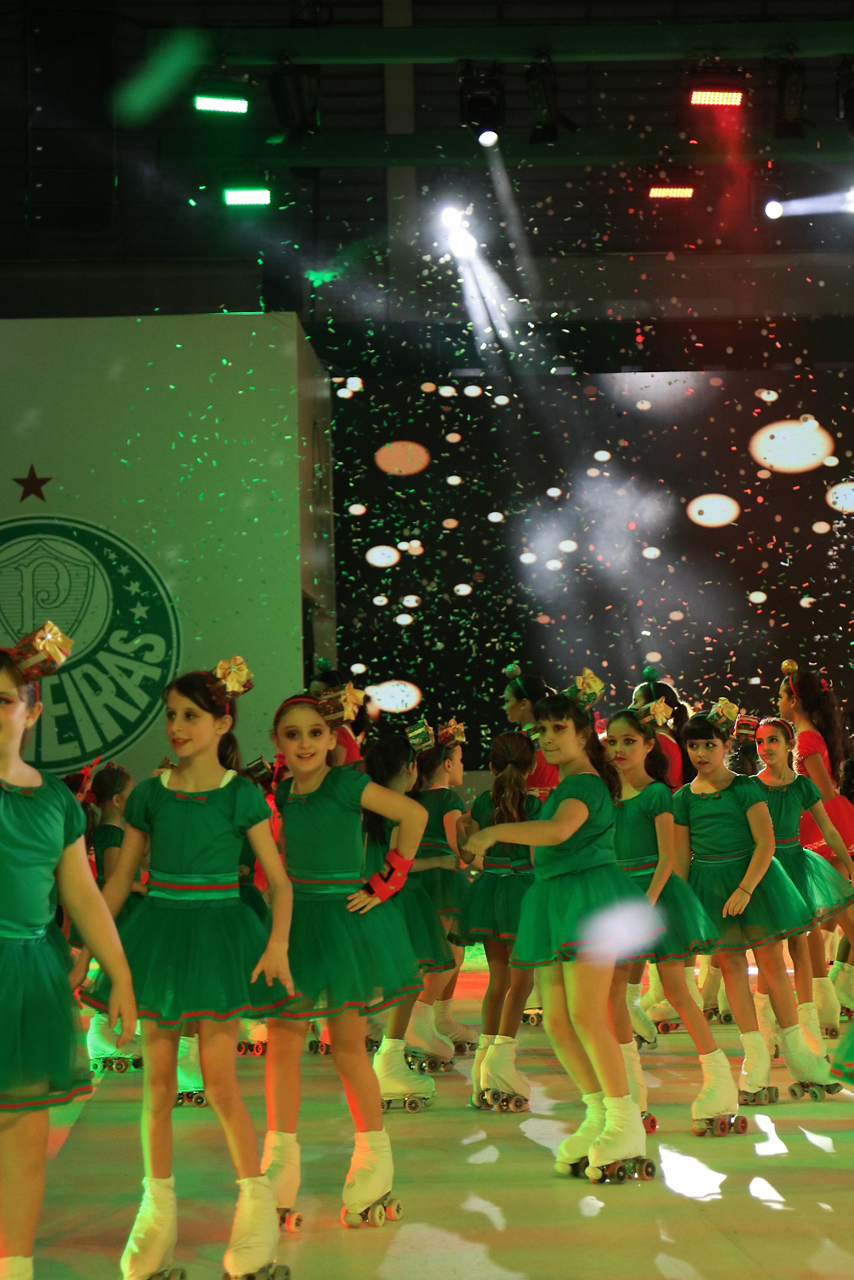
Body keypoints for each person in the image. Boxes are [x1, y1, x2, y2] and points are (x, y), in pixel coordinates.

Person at [81, 657, 295, 1280]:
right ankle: (156, 1213)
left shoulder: (241, 794)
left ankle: (255, 1207)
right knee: (157, 1086)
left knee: (221, 1085)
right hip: (161, 937)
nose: (176, 727)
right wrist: (86, 950)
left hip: (219, 937)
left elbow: (279, 882)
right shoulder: (149, 794)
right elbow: (118, 883)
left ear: (221, 722)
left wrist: (278, 944)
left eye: (191, 716)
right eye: (171, 715)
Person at [466, 670, 661, 1184]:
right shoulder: (567, 783)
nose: (548, 738)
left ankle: (625, 1119)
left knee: (588, 1016)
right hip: (557, 899)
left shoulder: (583, 783)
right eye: (541, 731)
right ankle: (599, 1112)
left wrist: (493, 832)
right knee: (556, 1021)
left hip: (587, 900)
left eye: (558, 729)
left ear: (583, 734)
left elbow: (557, 831)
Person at [0, 625, 136, 1280]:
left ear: (31, 711)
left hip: (29, 977)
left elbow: (82, 897)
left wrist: (121, 976)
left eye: (3, 701)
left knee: (24, 1139)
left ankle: (15, 1266)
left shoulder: (55, 801)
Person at [262, 693, 426, 1231]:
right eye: (292, 734)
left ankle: (374, 1160)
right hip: (294, 924)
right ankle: (279, 1167)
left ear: (332, 738)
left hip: (342, 923)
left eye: (314, 733)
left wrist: (389, 880)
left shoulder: (347, 785)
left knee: (348, 1047)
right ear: (278, 743)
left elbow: (413, 813)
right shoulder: (282, 793)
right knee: (283, 1042)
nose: (304, 743)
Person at [673, 699, 838, 1106]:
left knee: (771, 965)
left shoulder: (746, 788)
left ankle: (800, 1054)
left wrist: (746, 888)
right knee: (731, 967)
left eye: (709, 745)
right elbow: (679, 860)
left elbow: (765, 844)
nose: (700, 754)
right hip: (710, 887)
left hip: (756, 883)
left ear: (726, 745)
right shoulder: (683, 798)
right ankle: (755, 1058)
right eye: (693, 746)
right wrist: (682, 903)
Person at [604, 708, 732, 1137]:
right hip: (619, 897)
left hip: (656, 899)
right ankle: (630, 1091)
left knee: (677, 991)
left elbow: (667, 858)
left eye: (629, 741)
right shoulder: (605, 794)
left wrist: (647, 904)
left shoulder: (658, 794)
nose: (619, 749)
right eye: (612, 741)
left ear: (648, 745)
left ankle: (719, 1082)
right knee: (615, 993)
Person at [361, 736, 456, 1109]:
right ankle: (388, 1059)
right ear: (411, 768)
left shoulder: (368, 807)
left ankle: (389, 1055)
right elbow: (398, 864)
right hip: (396, 899)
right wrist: (440, 861)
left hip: (378, 896)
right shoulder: (401, 808)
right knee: (407, 980)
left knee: (400, 979)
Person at [753, 716, 854, 1052]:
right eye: (760, 741)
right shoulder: (750, 787)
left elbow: (829, 829)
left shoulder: (803, 787)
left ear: (789, 745)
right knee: (768, 946)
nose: (766, 747)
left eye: (773, 740)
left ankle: (809, 1026)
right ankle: (766, 1026)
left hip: (796, 864)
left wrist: (850, 863)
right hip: (766, 868)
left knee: (801, 944)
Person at [454, 732, 539, 1110]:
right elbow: (536, 859)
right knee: (523, 983)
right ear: (531, 767)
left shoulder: (481, 803)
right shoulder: (534, 805)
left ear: (490, 766)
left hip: (490, 890)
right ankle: (500, 1065)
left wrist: (465, 833)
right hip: (523, 893)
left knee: (499, 981)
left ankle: (482, 1070)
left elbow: (469, 854)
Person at [779, 661, 854, 1017]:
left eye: (781, 696)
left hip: (820, 827)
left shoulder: (806, 740)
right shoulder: (810, 736)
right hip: (822, 824)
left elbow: (823, 790)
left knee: (838, 912)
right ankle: (829, 992)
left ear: (793, 701)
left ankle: (825, 995)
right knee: (830, 912)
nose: (778, 703)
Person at [408, 718, 475, 1056]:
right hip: (442, 880)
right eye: (460, 760)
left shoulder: (414, 799)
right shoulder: (448, 798)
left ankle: (437, 1018)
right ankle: (423, 1019)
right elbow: (456, 846)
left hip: (418, 878)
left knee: (437, 954)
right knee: (449, 955)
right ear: (447, 765)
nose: (462, 766)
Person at [83, 763, 147, 1070]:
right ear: (118, 800)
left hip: (124, 909)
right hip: (119, 911)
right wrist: (141, 887)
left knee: (125, 967)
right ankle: (103, 1031)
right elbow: (113, 878)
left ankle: (112, 1029)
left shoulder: (116, 831)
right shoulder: (110, 832)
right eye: (131, 795)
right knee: (116, 967)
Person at [630, 665, 693, 792]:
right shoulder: (669, 735)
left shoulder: (659, 740)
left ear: (655, 706)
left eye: (636, 701)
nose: (630, 707)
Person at [501, 666, 560, 802]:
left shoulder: (516, 740)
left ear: (524, 704)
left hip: (528, 807)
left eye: (507, 701)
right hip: (557, 806)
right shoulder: (557, 734)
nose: (504, 707)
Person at [308, 668, 364, 765]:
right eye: (310, 695)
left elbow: (333, 771)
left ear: (335, 697)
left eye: (318, 695)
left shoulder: (337, 730)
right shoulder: (340, 726)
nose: (311, 700)